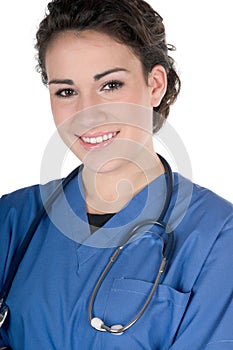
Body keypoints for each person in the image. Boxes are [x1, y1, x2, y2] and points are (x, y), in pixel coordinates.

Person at [0, 0, 232, 349]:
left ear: (155, 85)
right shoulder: (13, 220)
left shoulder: (217, 237)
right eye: (66, 91)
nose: (87, 114)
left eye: (110, 86)